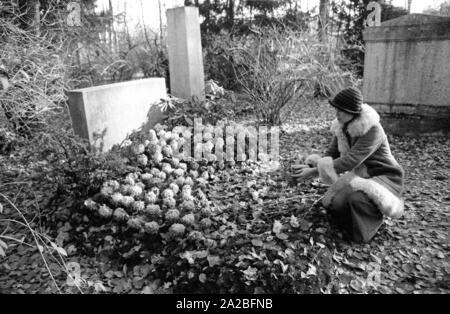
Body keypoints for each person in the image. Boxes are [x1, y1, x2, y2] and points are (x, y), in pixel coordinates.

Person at [292, 87, 405, 243]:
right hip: (362, 174)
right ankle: (350, 224)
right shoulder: (342, 126)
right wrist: (311, 167)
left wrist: (312, 174)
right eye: (336, 109)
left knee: (356, 199)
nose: (336, 114)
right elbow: (331, 154)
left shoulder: (373, 130)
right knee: (336, 203)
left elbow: (350, 161)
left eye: (341, 111)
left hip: (383, 177)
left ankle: (366, 230)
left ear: (353, 113)